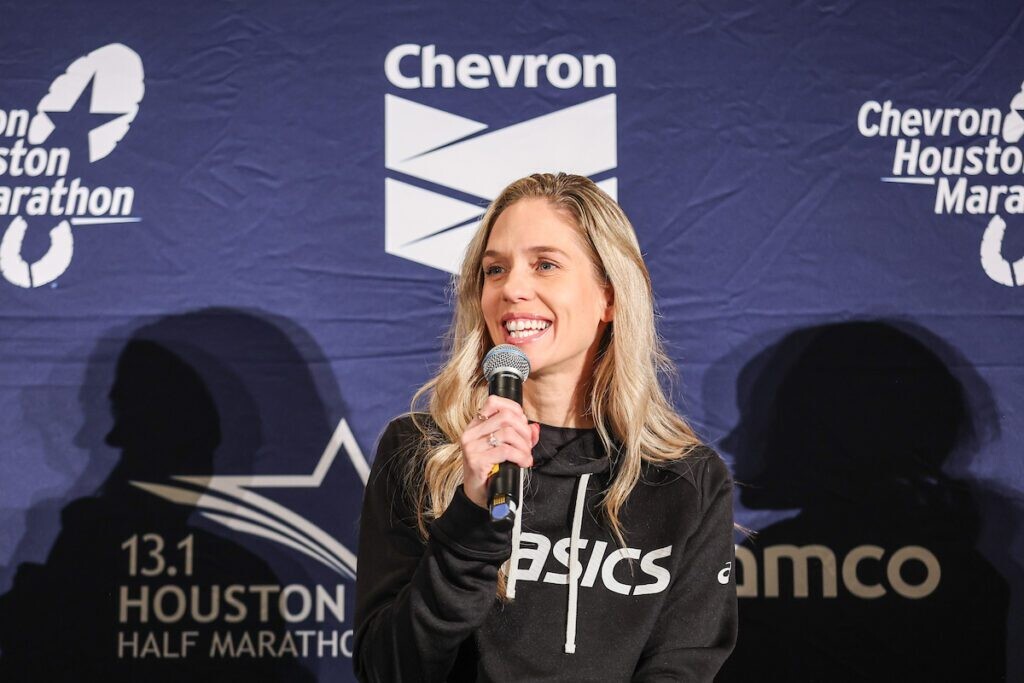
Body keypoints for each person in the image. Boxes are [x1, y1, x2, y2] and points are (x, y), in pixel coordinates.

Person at [354, 173, 736, 682]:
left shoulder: (686, 480)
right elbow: (387, 670)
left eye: (545, 265)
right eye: (495, 269)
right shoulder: (422, 451)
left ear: (609, 297)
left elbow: (682, 666)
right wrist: (471, 519)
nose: (512, 289)